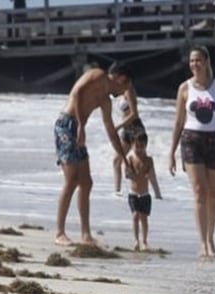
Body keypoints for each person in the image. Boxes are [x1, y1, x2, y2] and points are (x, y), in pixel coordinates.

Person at [168, 46, 215, 259]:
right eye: (191, 61)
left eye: (198, 60)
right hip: (191, 140)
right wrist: (171, 152)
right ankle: (202, 243)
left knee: (213, 193)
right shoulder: (184, 88)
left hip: (214, 141)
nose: (194, 64)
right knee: (199, 191)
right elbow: (179, 121)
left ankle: (210, 239)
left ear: (207, 61)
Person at [54, 65, 130, 246]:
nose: (122, 94)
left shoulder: (105, 101)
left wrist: (124, 158)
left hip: (78, 129)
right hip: (67, 125)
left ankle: (86, 234)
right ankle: (59, 233)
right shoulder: (98, 75)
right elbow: (77, 92)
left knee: (86, 182)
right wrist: (81, 125)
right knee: (71, 180)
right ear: (121, 79)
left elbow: (110, 130)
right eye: (124, 88)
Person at [125, 131, 162, 251]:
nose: (139, 149)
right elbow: (127, 174)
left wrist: (157, 193)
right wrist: (131, 173)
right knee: (135, 216)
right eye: (136, 146)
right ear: (132, 145)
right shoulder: (130, 159)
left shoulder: (149, 160)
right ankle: (136, 240)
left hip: (145, 194)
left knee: (144, 218)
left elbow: (153, 177)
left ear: (146, 146)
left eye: (142, 146)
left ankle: (144, 240)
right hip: (133, 193)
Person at [110, 62, 143, 195]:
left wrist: (118, 126)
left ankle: (138, 190)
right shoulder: (124, 90)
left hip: (134, 129)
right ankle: (118, 191)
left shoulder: (129, 90)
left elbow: (134, 114)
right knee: (119, 161)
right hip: (128, 129)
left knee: (122, 161)